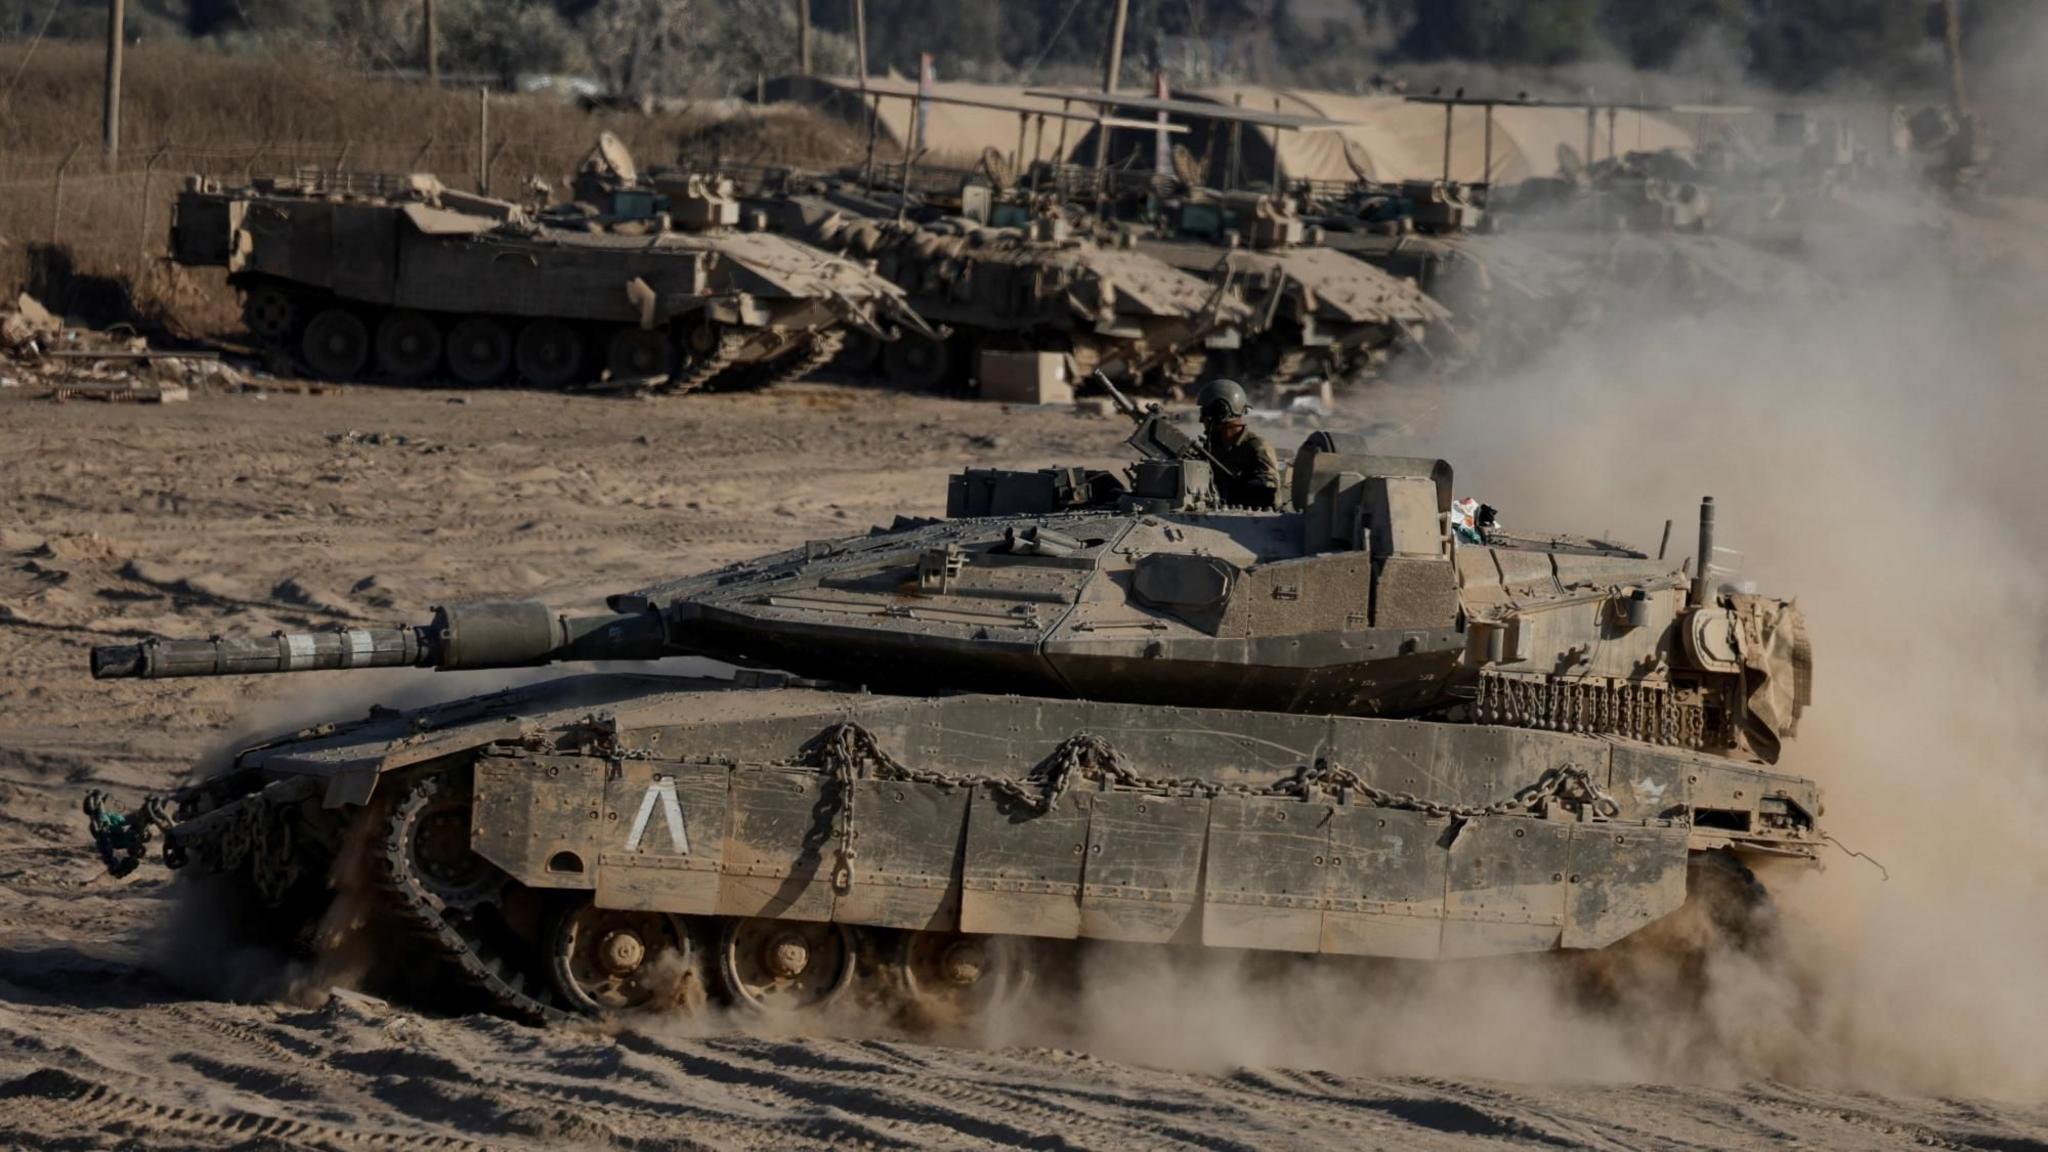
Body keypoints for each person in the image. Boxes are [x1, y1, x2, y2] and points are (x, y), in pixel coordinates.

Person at [1195, 379, 1281, 508]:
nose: (1201, 420)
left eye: (1204, 413)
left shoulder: (1257, 447)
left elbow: (1269, 492)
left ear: (1220, 413)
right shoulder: (1214, 447)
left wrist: (1232, 493)